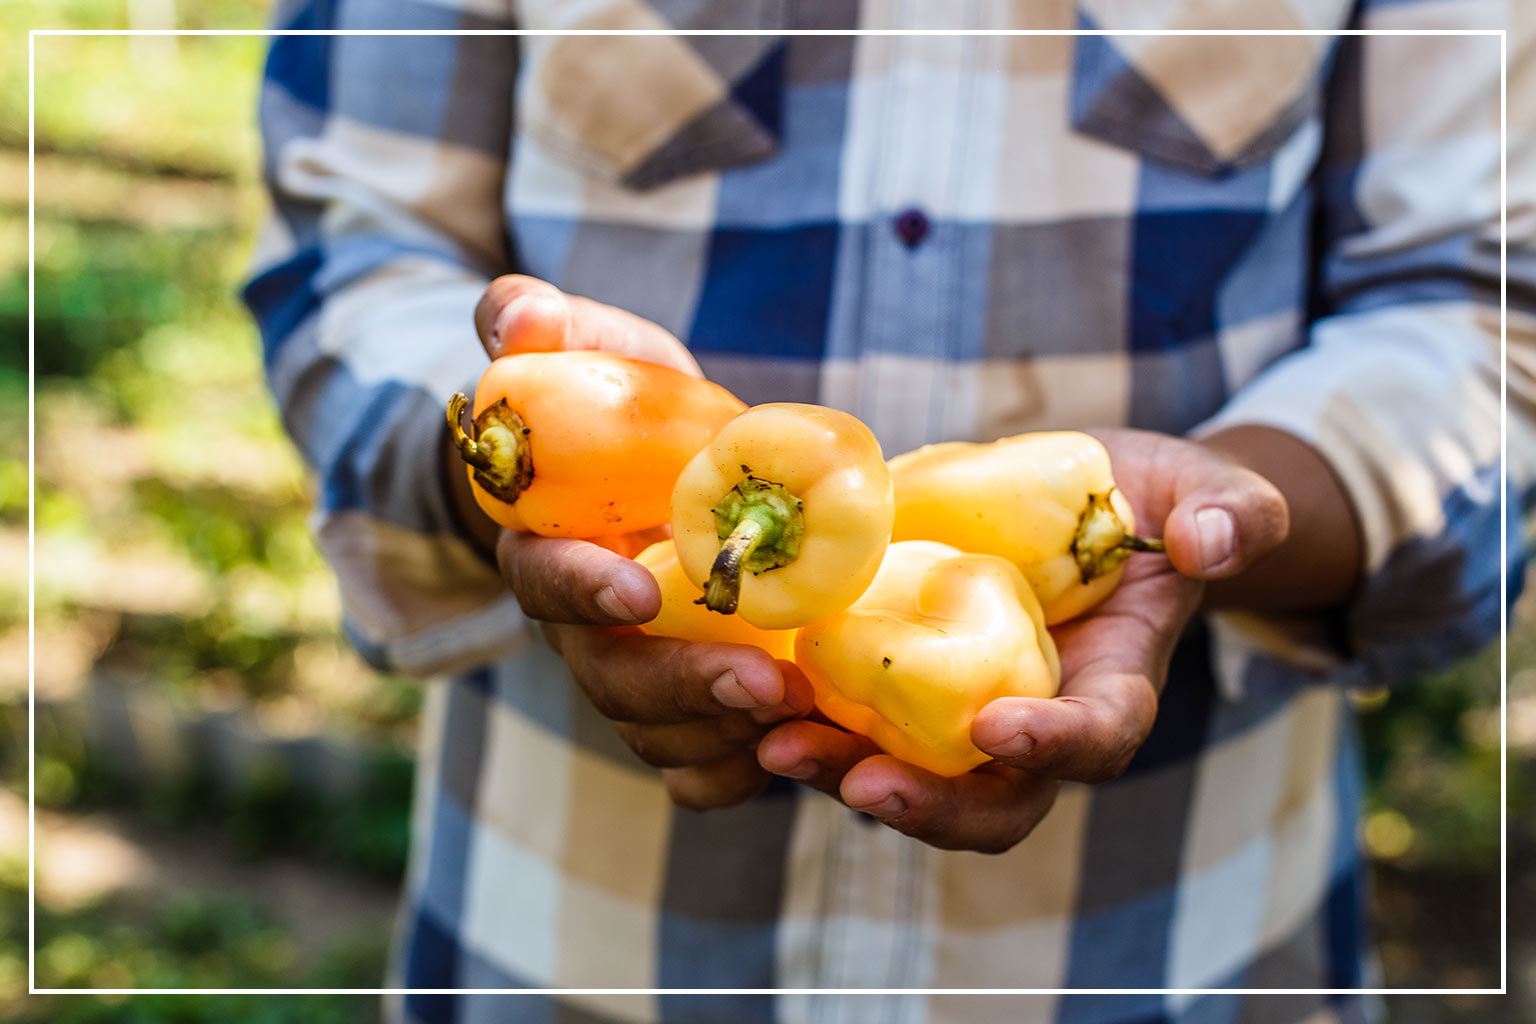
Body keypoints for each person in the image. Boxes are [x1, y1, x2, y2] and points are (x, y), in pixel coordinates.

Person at [244, 1, 1533, 1021]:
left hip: (1187, 945)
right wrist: (536, 500)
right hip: (568, 943)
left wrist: (1237, 514)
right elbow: (352, 258)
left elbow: (1485, 313)